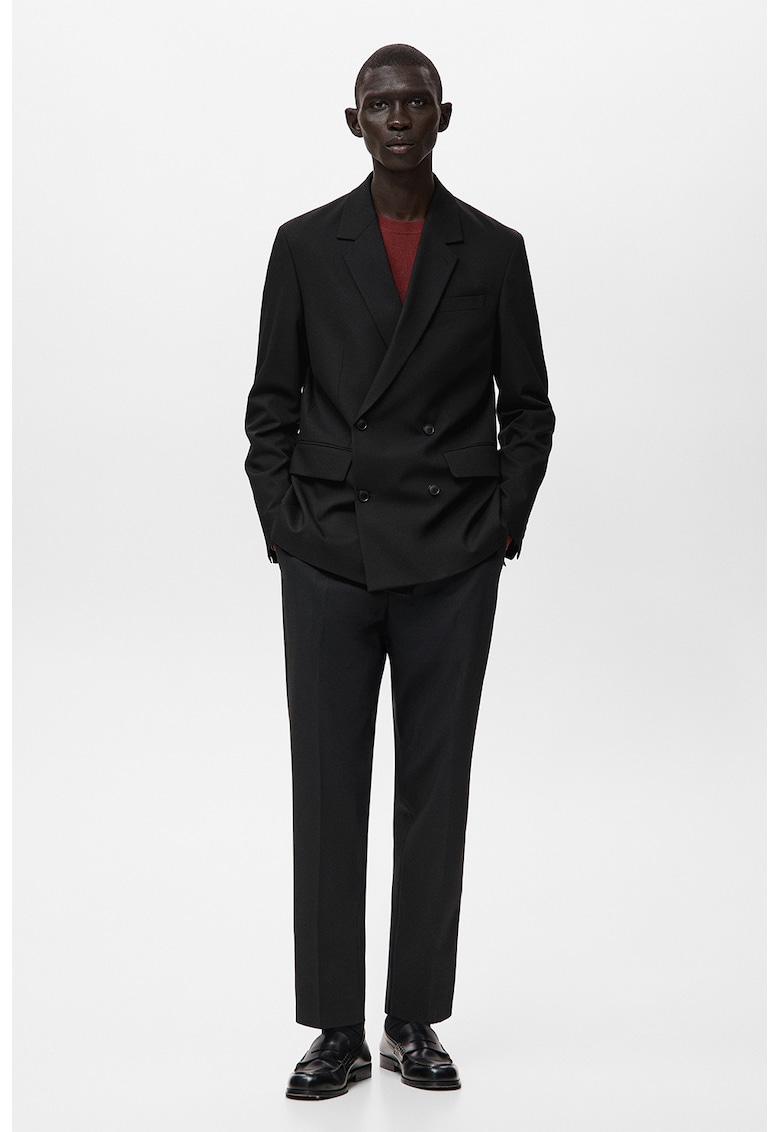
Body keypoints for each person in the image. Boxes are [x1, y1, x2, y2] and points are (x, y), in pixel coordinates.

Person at [244, 43, 554, 1100]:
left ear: (444, 115)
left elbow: (530, 409)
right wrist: (286, 527)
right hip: (329, 552)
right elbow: (271, 404)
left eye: (415, 102)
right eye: (379, 104)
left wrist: (496, 527)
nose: (398, 118)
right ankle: (335, 1027)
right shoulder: (303, 245)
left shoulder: (495, 250)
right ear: (353, 122)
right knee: (328, 789)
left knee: (435, 790)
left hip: (450, 558)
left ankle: (411, 1017)